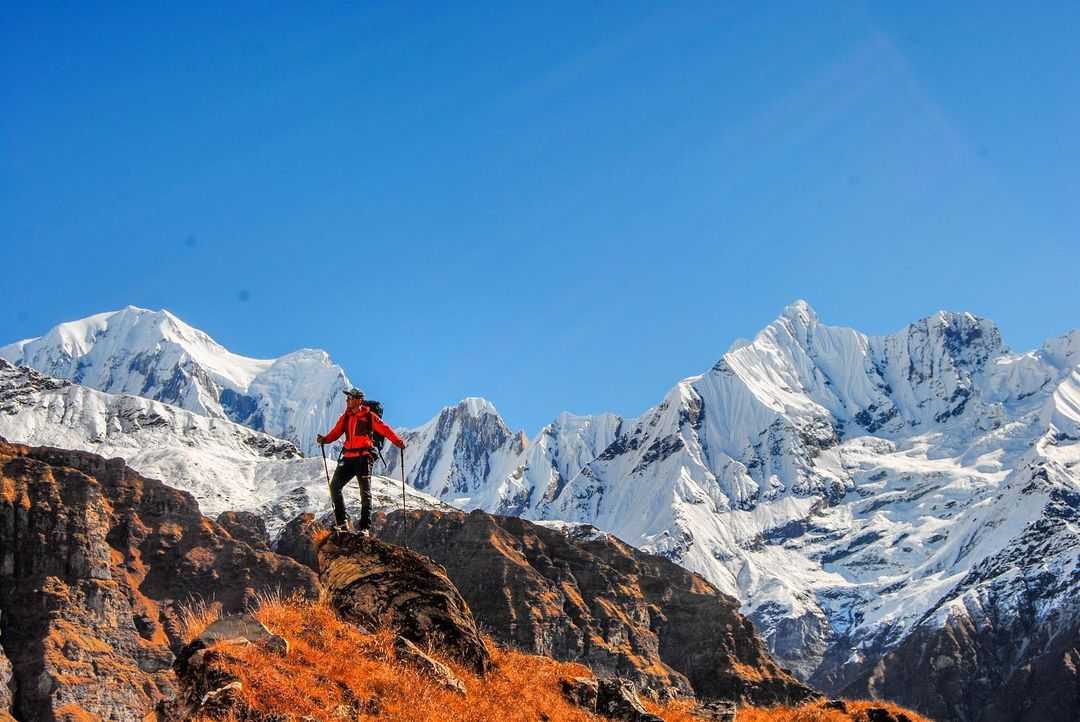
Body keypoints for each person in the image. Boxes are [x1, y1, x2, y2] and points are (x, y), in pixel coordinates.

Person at [317, 388, 406, 534]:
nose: (347, 401)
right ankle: (342, 522)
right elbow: (335, 433)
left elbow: (385, 430)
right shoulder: (345, 417)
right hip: (348, 458)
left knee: (365, 493)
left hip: (364, 458)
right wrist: (324, 439)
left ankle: (364, 528)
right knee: (335, 487)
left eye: (349, 398)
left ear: (358, 400)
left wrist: (398, 442)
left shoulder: (369, 416)